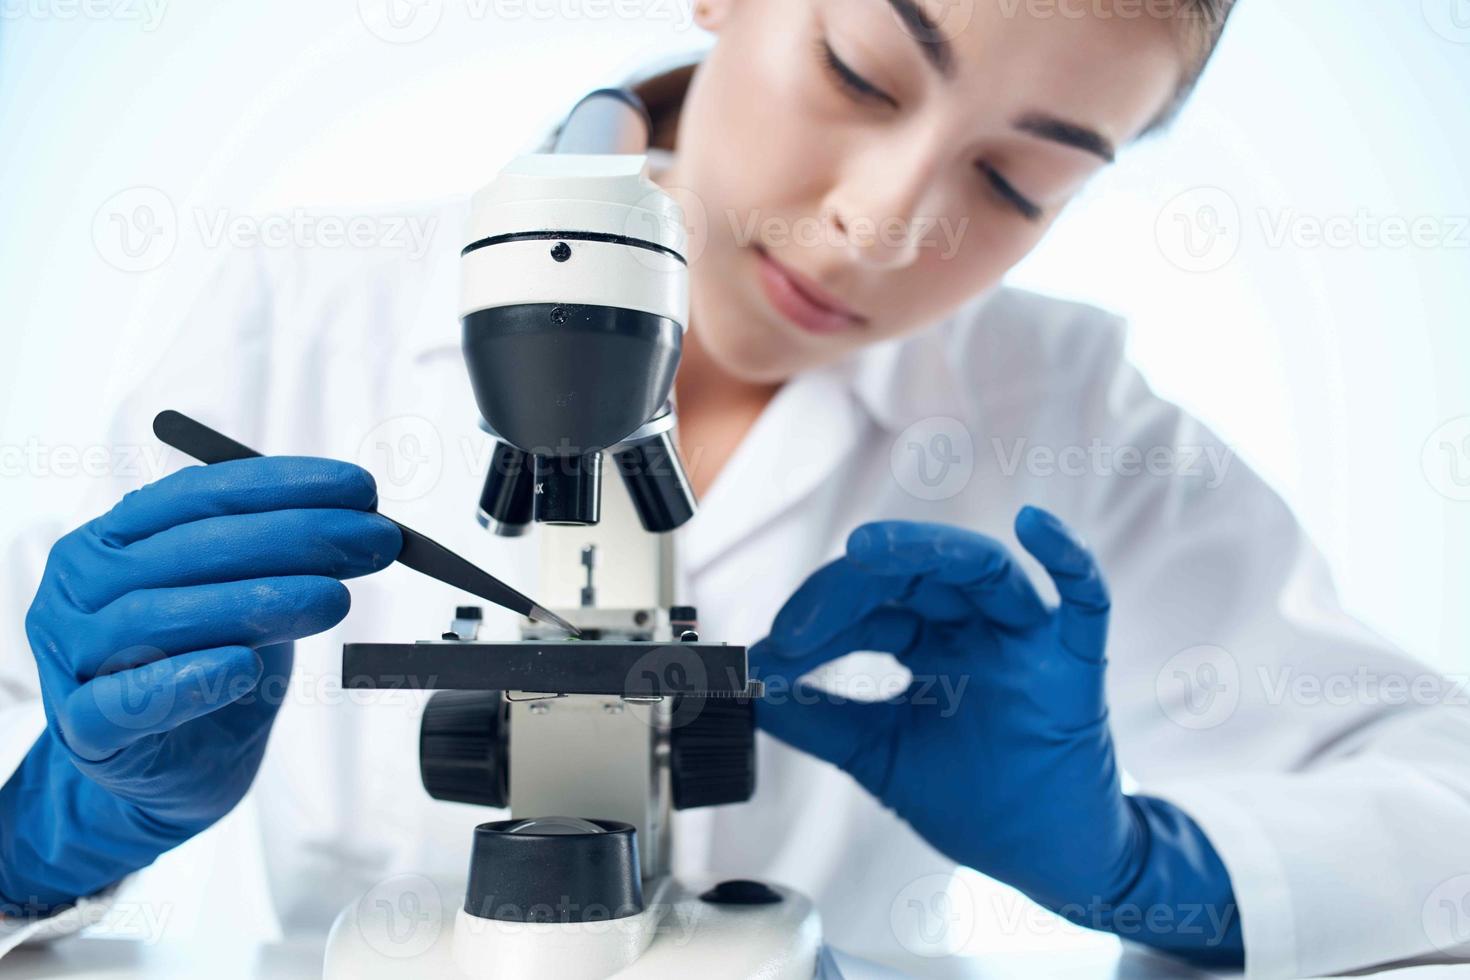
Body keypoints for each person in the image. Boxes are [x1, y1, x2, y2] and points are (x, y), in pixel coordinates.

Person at [3, 1, 1468, 976]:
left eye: (1017, 184)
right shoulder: (296, 305)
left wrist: (1150, 867)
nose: (880, 224)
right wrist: (47, 817)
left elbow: (1441, 817)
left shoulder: (1076, 418)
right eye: (859, 75)